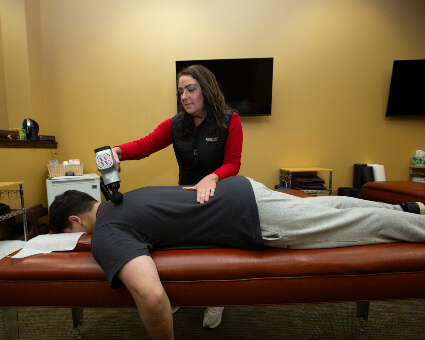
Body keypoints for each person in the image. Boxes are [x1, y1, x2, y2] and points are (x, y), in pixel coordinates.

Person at [48, 176, 425, 339]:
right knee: (331, 205)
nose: (76, 241)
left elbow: (150, 295)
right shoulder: (127, 196)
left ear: (76, 220)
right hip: (242, 189)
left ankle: (414, 225)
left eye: (70, 234)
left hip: (252, 216)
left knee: (354, 228)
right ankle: (409, 210)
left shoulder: (106, 232)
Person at [112, 64, 242, 326]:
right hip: (184, 196)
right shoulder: (175, 124)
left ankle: (215, 299)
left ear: (206, 90)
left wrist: (212, 177)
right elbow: (144, 145)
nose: (184, 97)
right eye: (180, 91)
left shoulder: (230, 120)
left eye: (190, 90)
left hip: (217, 195)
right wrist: (118, 151)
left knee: (213, 251)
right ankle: (183, 294)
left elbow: (233, 163)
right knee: (181, 248)